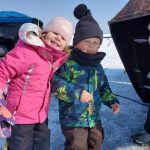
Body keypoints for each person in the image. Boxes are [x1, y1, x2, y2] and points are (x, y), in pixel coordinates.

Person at [51, 4, 120, 150]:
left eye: (95, 43)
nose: (91, 46)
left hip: (94, 118)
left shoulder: (97, 66)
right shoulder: (67, 62)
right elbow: (56, 84)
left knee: (97, 142)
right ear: (76, 43)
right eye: (87, 41)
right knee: (77, 146)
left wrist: (112, 101)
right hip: (73, 120)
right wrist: (77, 92)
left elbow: (103, 87)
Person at [0, 16, 73, 150]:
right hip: (20, 119)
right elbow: (3, 70)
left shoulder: (54, 60)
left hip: (40, 117)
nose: (58, 38)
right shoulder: (28, 50)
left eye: (63, 38)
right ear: (44, 33)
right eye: (55, 33)